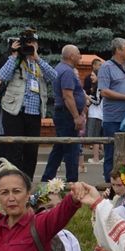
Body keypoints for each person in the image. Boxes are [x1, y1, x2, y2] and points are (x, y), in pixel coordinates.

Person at [97, 37, 125, 181]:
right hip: (113, 119)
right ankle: (109, 187)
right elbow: (104, 91)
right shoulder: (106, 67)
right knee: (112, 153)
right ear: (118, 50)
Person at [42, 44, 86, 182]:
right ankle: (72, 182)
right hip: (67, 115)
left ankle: (47, 178)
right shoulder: (67, 71)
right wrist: (76, 117)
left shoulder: (61, 69)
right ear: (71, 56)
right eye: (78, 53)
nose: (80, 56)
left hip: (63, 114)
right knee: (71, 148)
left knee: (59, 148)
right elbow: (68, 95)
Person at [83, 57, 104, 165]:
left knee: (96, 137)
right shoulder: (95, 87)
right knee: (97, 137)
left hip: (97, 115)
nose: (90, 77)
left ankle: (96, 158)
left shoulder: (100, 88)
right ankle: (98, 157)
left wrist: (87, 97)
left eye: (92, 75)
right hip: (95, 114)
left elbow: (97, 101)